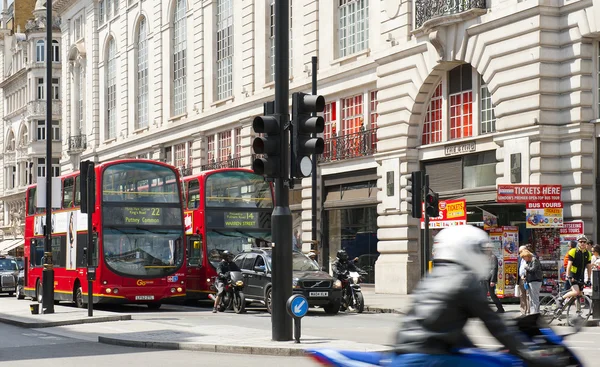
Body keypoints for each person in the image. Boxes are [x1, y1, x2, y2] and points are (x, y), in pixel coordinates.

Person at [393, 225, 561, 367]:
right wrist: (528, 355)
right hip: (427, 358)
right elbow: (494, 324)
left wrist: (476, 348)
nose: (484, 257)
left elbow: (443, 324)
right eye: (481, 251)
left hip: (406, 353)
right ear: (467, 251)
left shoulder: (434, 276)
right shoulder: (464, 281)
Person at [557, 236, 593, 308]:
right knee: (576, 292)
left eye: (584, 242)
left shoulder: (588, 253)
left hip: (581, 276)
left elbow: (589, 267)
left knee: (579, 295)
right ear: (578, 243)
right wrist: (568, 275)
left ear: (586, 243)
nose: (582, 243)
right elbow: (569, 265)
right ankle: (561, 299)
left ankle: (578, 313)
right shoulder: (573, 251)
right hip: (573, 275)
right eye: (580, 242)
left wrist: (589, 278)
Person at [481, 244, 504, 313]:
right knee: (483, 294)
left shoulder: (493, 257)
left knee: (492, 295)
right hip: (484, 278)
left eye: (487, 248)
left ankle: (500, 309)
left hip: (489, 278)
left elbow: (494, 269)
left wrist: (493, 280)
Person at [521, 249, 543, 314]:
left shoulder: (534, 260)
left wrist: (526, 267)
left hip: (535, 281)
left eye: (524, 257)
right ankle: (532, 312)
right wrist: (524, 276)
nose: (524, 259)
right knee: (531, 298)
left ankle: (535, 312)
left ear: (527, 256)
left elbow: (533, 269)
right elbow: (528, 271)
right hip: (530, 281)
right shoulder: (528, 261)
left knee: (535, 298)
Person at [517, 245, 530, 316]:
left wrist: (525, 275)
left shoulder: (529, 257)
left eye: (521, 251)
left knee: (528, 295)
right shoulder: (519, 258)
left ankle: (528, 310)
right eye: (519, 252)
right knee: (522, 295)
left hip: (527, 278)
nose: (520, 253)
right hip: (521, 279)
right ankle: (523, 311)